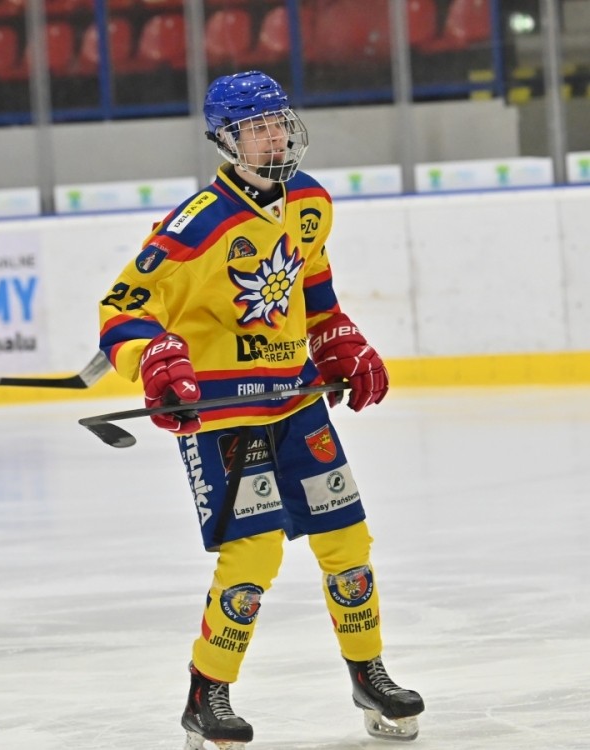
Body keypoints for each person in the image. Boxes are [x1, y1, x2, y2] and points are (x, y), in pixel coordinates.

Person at [97, 71, 425, 746]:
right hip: (223, 416)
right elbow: (121, 310)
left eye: (279, 123)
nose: (274, 137)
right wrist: (155, 356)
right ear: (227, 141)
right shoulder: (197, 225)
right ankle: (207, 694)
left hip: (296, 400)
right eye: (256, 129)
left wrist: (338, 340)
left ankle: (368, 672)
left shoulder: (310, 202)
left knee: (347, 539)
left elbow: (314, 288)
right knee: (252, 557)